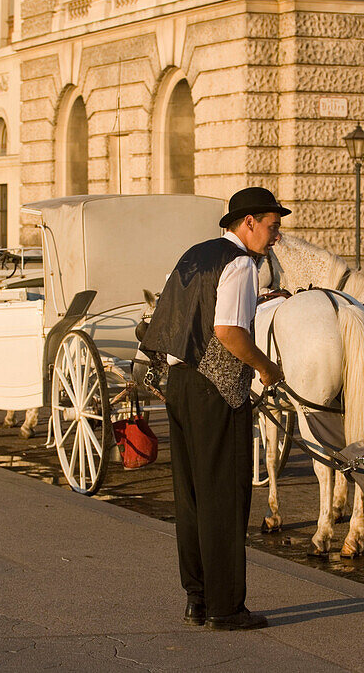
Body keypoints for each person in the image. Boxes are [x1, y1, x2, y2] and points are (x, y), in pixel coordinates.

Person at [140, 186, 287, 631]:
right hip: (217, 392)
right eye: (272, 226)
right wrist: (265, 367)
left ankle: (197, 599)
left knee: (191, 499)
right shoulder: (241, 263)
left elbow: (167, 319)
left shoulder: (194, 253)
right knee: (224, 498)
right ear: (248, 224)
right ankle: (226, 608)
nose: (276, 236)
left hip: (181, 384)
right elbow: (228, 331)